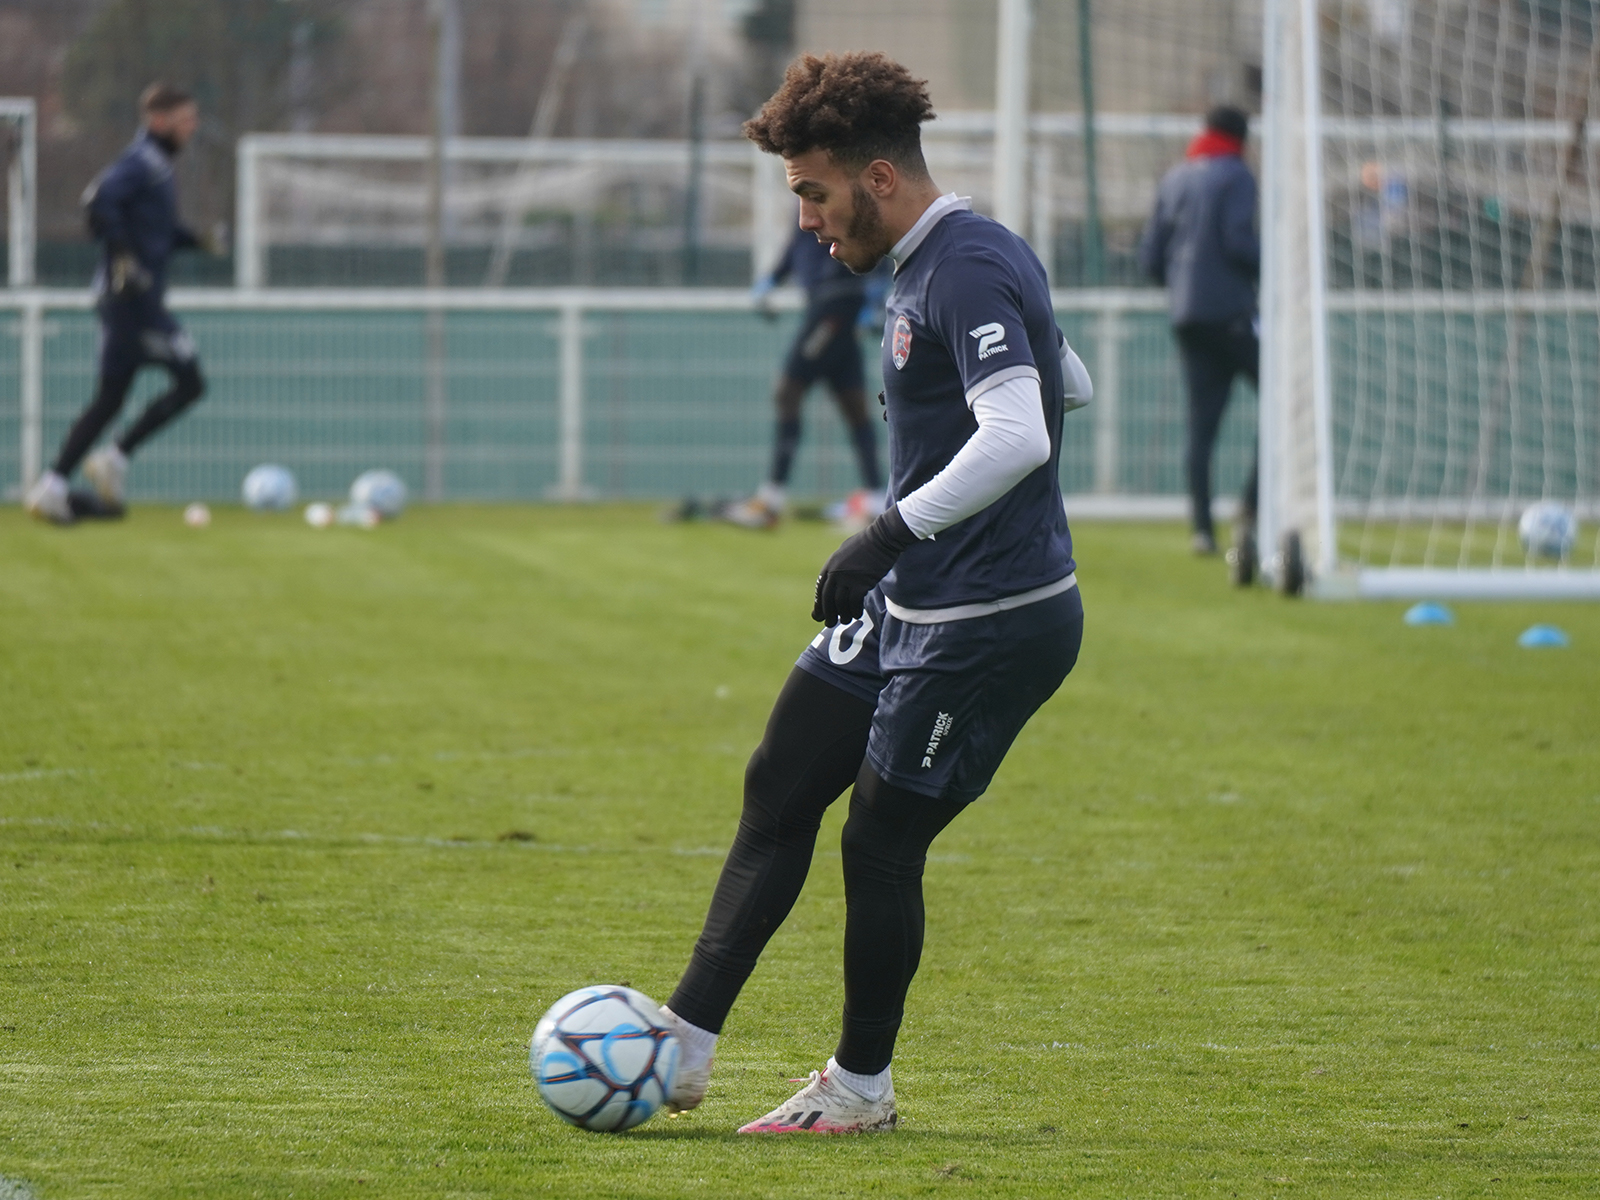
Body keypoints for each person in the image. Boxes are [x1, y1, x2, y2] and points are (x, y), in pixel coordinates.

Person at [655, 51, 1088, 1134]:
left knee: (880, 840)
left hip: (989, 622)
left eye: (812, 190)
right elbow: (1067, 379)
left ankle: (860, 1089)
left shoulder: (965, 264)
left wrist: (887, 530)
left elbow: (1023, 428)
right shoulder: (940, 264)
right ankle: (681, 1046)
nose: (804, 218)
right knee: (781, 780)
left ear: (879, 178)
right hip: (913, 602)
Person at [24, 83, 212, 525]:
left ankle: (52, 486)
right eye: (186, 119)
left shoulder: (159, 167)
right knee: (190, 381)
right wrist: (124, 258)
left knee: (110, 398)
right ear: (159, 121)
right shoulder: (142, 161)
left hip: (126, 299)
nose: (193, 127)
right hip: (134, 302)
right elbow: (99, 202)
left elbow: (155, 231)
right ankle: (115, 459)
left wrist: (196, 239)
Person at [1137, 105, 1260, 572]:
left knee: (1201, 425)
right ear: (1241, 139)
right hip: (1232, 313)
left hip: (1187, 316)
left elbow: (1151, 256)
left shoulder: (1177, 178)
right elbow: (1237, 241)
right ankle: (1250, 508)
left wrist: (1183, 285)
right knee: (1283, 406)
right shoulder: (1236, 176)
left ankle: (1203, 531)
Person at [722, 224, 889, 529]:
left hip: (833, 310)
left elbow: (871, 238)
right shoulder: (806, 206)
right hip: (830, 307)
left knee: (788, 392)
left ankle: (770, 503)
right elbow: (794, 248)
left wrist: (873, 292)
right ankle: (877, 501)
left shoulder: (833, 196)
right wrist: (771, 280)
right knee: (855, 409)